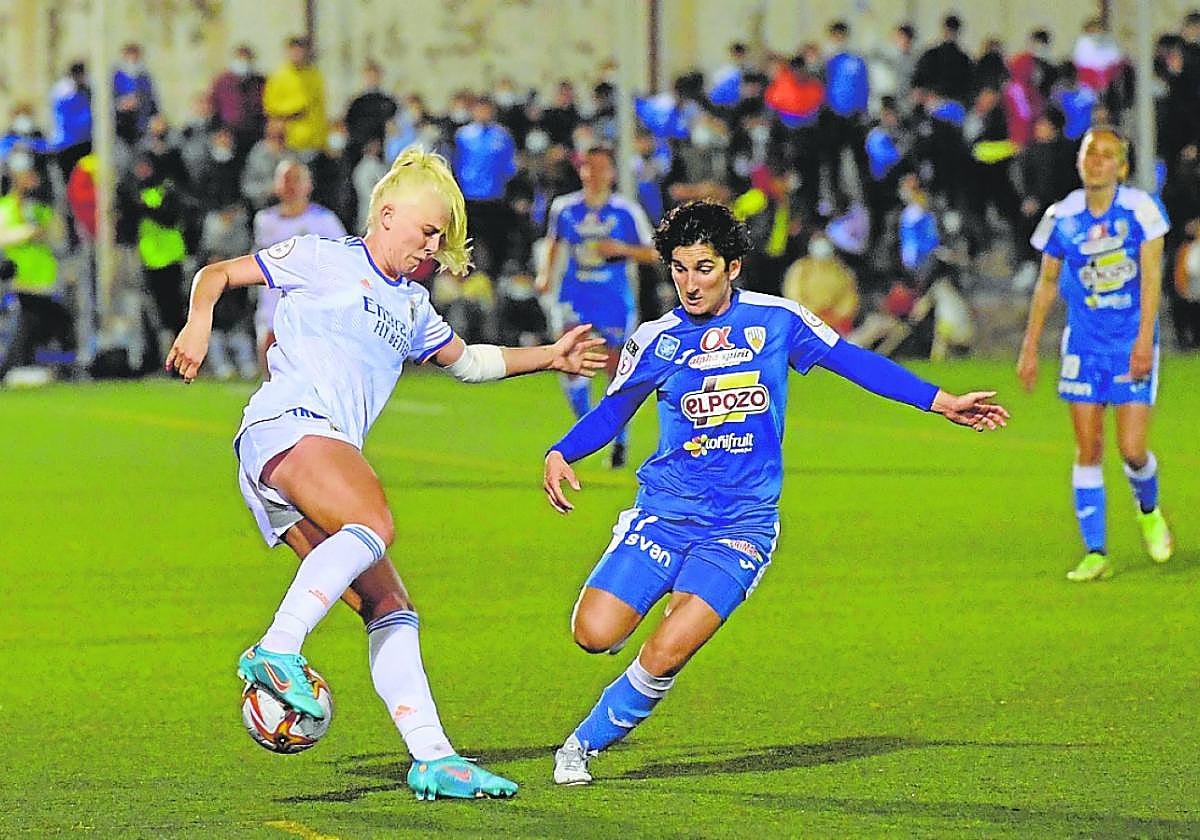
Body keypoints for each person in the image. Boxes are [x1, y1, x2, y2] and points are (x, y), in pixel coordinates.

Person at [165, 147, 606, 799]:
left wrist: (551, 356)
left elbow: (471, 363)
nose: (432, 247)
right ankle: (277, 649)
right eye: (428, 231)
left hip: (305, 457)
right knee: (373, 520)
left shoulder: (413, 307)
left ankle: (432, 757)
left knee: (390, 606)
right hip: (287, 425)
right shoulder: (323, 256)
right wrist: (198, 326)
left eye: (442, 239)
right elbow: (218, 274)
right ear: (388, 212)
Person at [542, 200, 1009, 784]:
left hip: (742, 526)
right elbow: (613, 411)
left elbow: (855, 363)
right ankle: (644, 603)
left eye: (704, 268)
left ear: (733, 266)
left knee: (666, 652)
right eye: (680, 269)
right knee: (593, 635)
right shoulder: (657, 340)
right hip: (665, 514)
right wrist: (562, 452)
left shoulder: (777, 321)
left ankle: (580, 746)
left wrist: (941, 401)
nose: (690, 283)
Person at [1017, 126, 1173, 582]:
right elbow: (1047, 284)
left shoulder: (1142, 210)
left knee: (1132, 449)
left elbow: (1150, 278)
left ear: (1122, 167)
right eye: (1090, 153)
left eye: (1107, 155)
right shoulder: (1061, 217)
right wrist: (1030, 346)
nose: (1097, 161)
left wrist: (1145, 339)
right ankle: (1096, 552)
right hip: (1083, 346)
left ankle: (1149, 510)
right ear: (1079, 161)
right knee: (1089, 448)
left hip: (1129, 341)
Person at [535, 145, 658, 468]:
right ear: (582, 171)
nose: (594, 174)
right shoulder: (565, 208)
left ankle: (620, 439)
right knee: (572, 360)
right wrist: (546, 275)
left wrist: (620, 249)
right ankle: (589, 429)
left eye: (601, 167)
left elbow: (653, 252)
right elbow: (554, 241)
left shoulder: (625, 210)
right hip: (574, 295)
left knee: (615, 368)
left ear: (612, 173)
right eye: (589, 167)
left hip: (614, 299)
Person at [252, 160, 346, 376]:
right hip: (272, 308)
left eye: (296, 179)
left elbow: (343, 261)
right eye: (285, 179)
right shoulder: (265, 221)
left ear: (308, 185)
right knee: (272, 375)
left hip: (312, 310)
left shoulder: (324, 221)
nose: (289, 185)